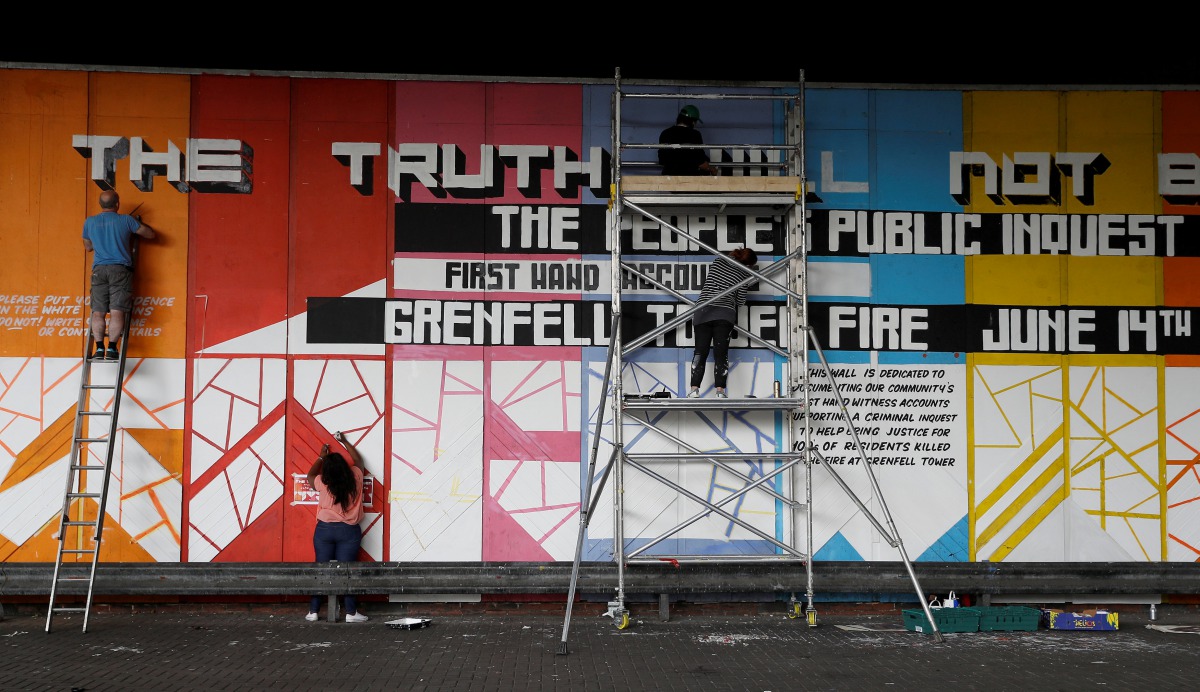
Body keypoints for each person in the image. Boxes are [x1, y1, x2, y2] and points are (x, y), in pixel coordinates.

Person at [81, 190, 156, 361]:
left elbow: (88, 246)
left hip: (98, 271)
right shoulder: (125, 220)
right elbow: (150, 234)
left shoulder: (90, 222)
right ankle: (112, 349)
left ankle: (99, 348)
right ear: (117, 204)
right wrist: (133, 226)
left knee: (97, 312)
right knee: (117, 312)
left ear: (101, 204)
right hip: (120, 271)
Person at [306, 431, 369, 623]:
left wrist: (320, 457)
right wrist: (345, 442)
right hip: (348, 531)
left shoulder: (323, 483)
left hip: (324, 530)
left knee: (321, 569)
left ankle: (314, 611)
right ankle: (351, 613)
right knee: (346, 571)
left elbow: (310, 475)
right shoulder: (355, 479)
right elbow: (359, 461)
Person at [687, 247, 758, 399]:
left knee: (700, 352)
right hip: (724, 314)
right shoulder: (744, 274)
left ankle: (694, 390)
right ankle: (720, 392)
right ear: (749, 264)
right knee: (721, 354)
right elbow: (739, 301)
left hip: (703, 311)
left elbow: (710, 284)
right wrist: (747, 282)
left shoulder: (719, 261)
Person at [658, 104, 719, 176]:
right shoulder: (695, 134)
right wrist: (712, 169)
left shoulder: (665, 133)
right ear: (693, 122)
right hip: (689, 178)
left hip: (668, 176)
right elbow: (700, 162)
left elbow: (661, 160)